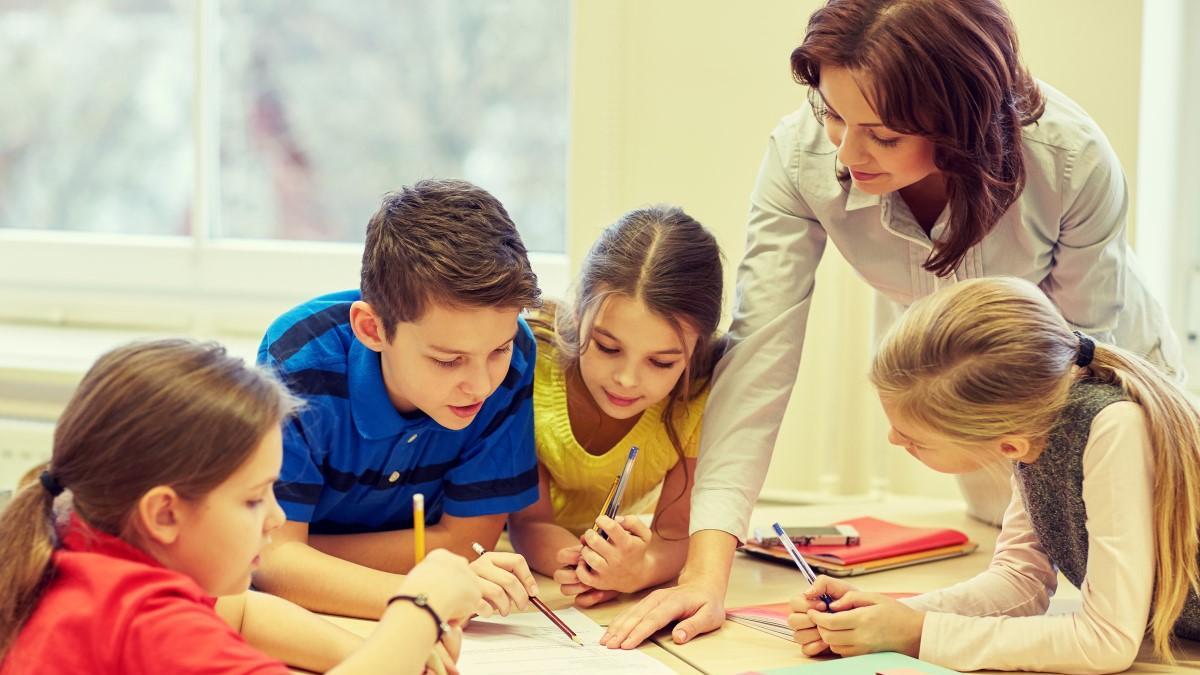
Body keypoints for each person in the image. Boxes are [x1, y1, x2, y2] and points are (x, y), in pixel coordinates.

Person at [601, 0, 1183, 650]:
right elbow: (757, 358)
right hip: (992, 414)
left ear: (959, 123)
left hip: (1096, 386)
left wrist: (914, 632)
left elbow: (1070, 385)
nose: (847, 155)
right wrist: (705, 574)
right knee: (1026, 557)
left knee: (1146, 598)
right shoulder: (801, 160)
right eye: (831, 114)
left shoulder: (1071, 160)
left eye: (883, 134)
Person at [790, 276, 1200, 674]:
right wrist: (880, 619)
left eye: (916, 439)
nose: (894, 439)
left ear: (1008, 445)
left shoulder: (1112, 428)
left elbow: (1106, 642)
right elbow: (1019, 582)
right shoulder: (1035, 422)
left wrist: (917, 635)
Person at [0, 339, 483, 674]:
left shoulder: (81, 544)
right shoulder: (149, 624)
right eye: (254, 499)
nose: (275, 518)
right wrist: (418, 610)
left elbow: (240, 612)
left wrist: (380, 655)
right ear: (164, 514)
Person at [254, 179, 544, 620]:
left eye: (498, 351)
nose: (482, 385)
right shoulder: (298, 361)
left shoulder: (516, 354)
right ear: (372, 330)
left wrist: (302, 552)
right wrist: (423, 596)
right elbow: (271, 565)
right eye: (448, 361)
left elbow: (467, 543)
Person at [508, 206, 725, 606]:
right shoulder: (531, 364)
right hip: (513, 559)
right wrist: (575, 562)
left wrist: (638, 569)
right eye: (608, 347)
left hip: (611, 554)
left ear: (697, 349)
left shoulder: (700, 395)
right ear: (578, 313)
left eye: (661, 362)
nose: (626, 379)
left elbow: (677, 535)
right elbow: (528, 521)